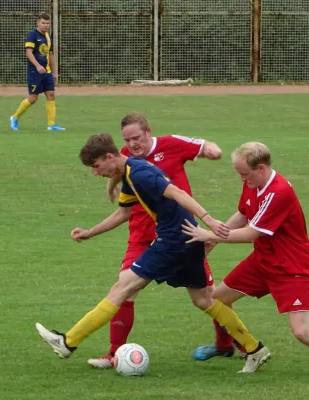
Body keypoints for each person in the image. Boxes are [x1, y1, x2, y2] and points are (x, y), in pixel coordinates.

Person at [35, 133, 271, 374]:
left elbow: (178, 193)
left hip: (173, 240)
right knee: (203, 300)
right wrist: (90, 232)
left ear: (109, 157)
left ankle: (67, 342)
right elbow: (124, 213)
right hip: (187, 238)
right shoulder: (129, 172)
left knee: (123, 287)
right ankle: (254, 349)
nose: (95, 172)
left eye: (96, 166)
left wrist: (209, 220)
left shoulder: (139, 173)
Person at [182, 141, 309, 378]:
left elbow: (252, 234)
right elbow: (243, 213)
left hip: (292, 267)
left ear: (261, 168)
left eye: (245, 174)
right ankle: (225, 347)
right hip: (263, 261)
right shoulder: (253, 183)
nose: (242, 179)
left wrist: (211, 234)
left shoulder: (279, 192)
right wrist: (214, 239)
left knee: (302, 331)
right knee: (218, 299)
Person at [81, 113, 236, 368]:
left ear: (148, 132)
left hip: (180, 234)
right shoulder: (122, 155)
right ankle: (114, 354)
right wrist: (110, 186)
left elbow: (204, 147)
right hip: (142, 235)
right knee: (123, 290)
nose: (132, 145)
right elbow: (117, 168)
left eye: (136, 138)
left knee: (206, 296)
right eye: (127, 140)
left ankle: (228, 345)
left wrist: (212, 150)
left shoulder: (172, 144)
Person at [10, 13, 65, 132]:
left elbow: (50, 55)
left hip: (47, 72)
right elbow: (28, 53)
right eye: (43, 23)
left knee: (51, 95)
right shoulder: (32, 35)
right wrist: (38, 66)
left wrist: (54, 72)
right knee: (33, 98)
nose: (45, 25)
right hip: (35, 72)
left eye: (47, 23)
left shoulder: (48, 37)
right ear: (38, 23)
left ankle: (52, 124)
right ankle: (15, 117)